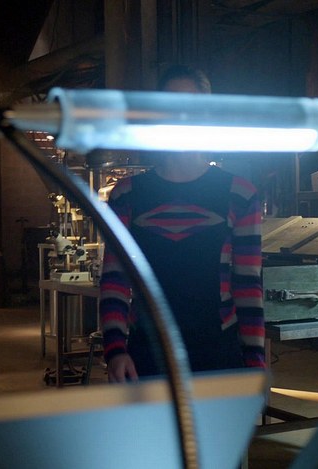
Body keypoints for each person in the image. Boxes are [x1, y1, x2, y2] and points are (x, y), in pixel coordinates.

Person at [98, 65, 266, 382]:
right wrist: (116, 350)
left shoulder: (240, 194)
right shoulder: (127, 195)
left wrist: (256, 363)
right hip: (147, 356)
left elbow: (248, 286)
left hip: (218, 356)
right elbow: (114, 281)